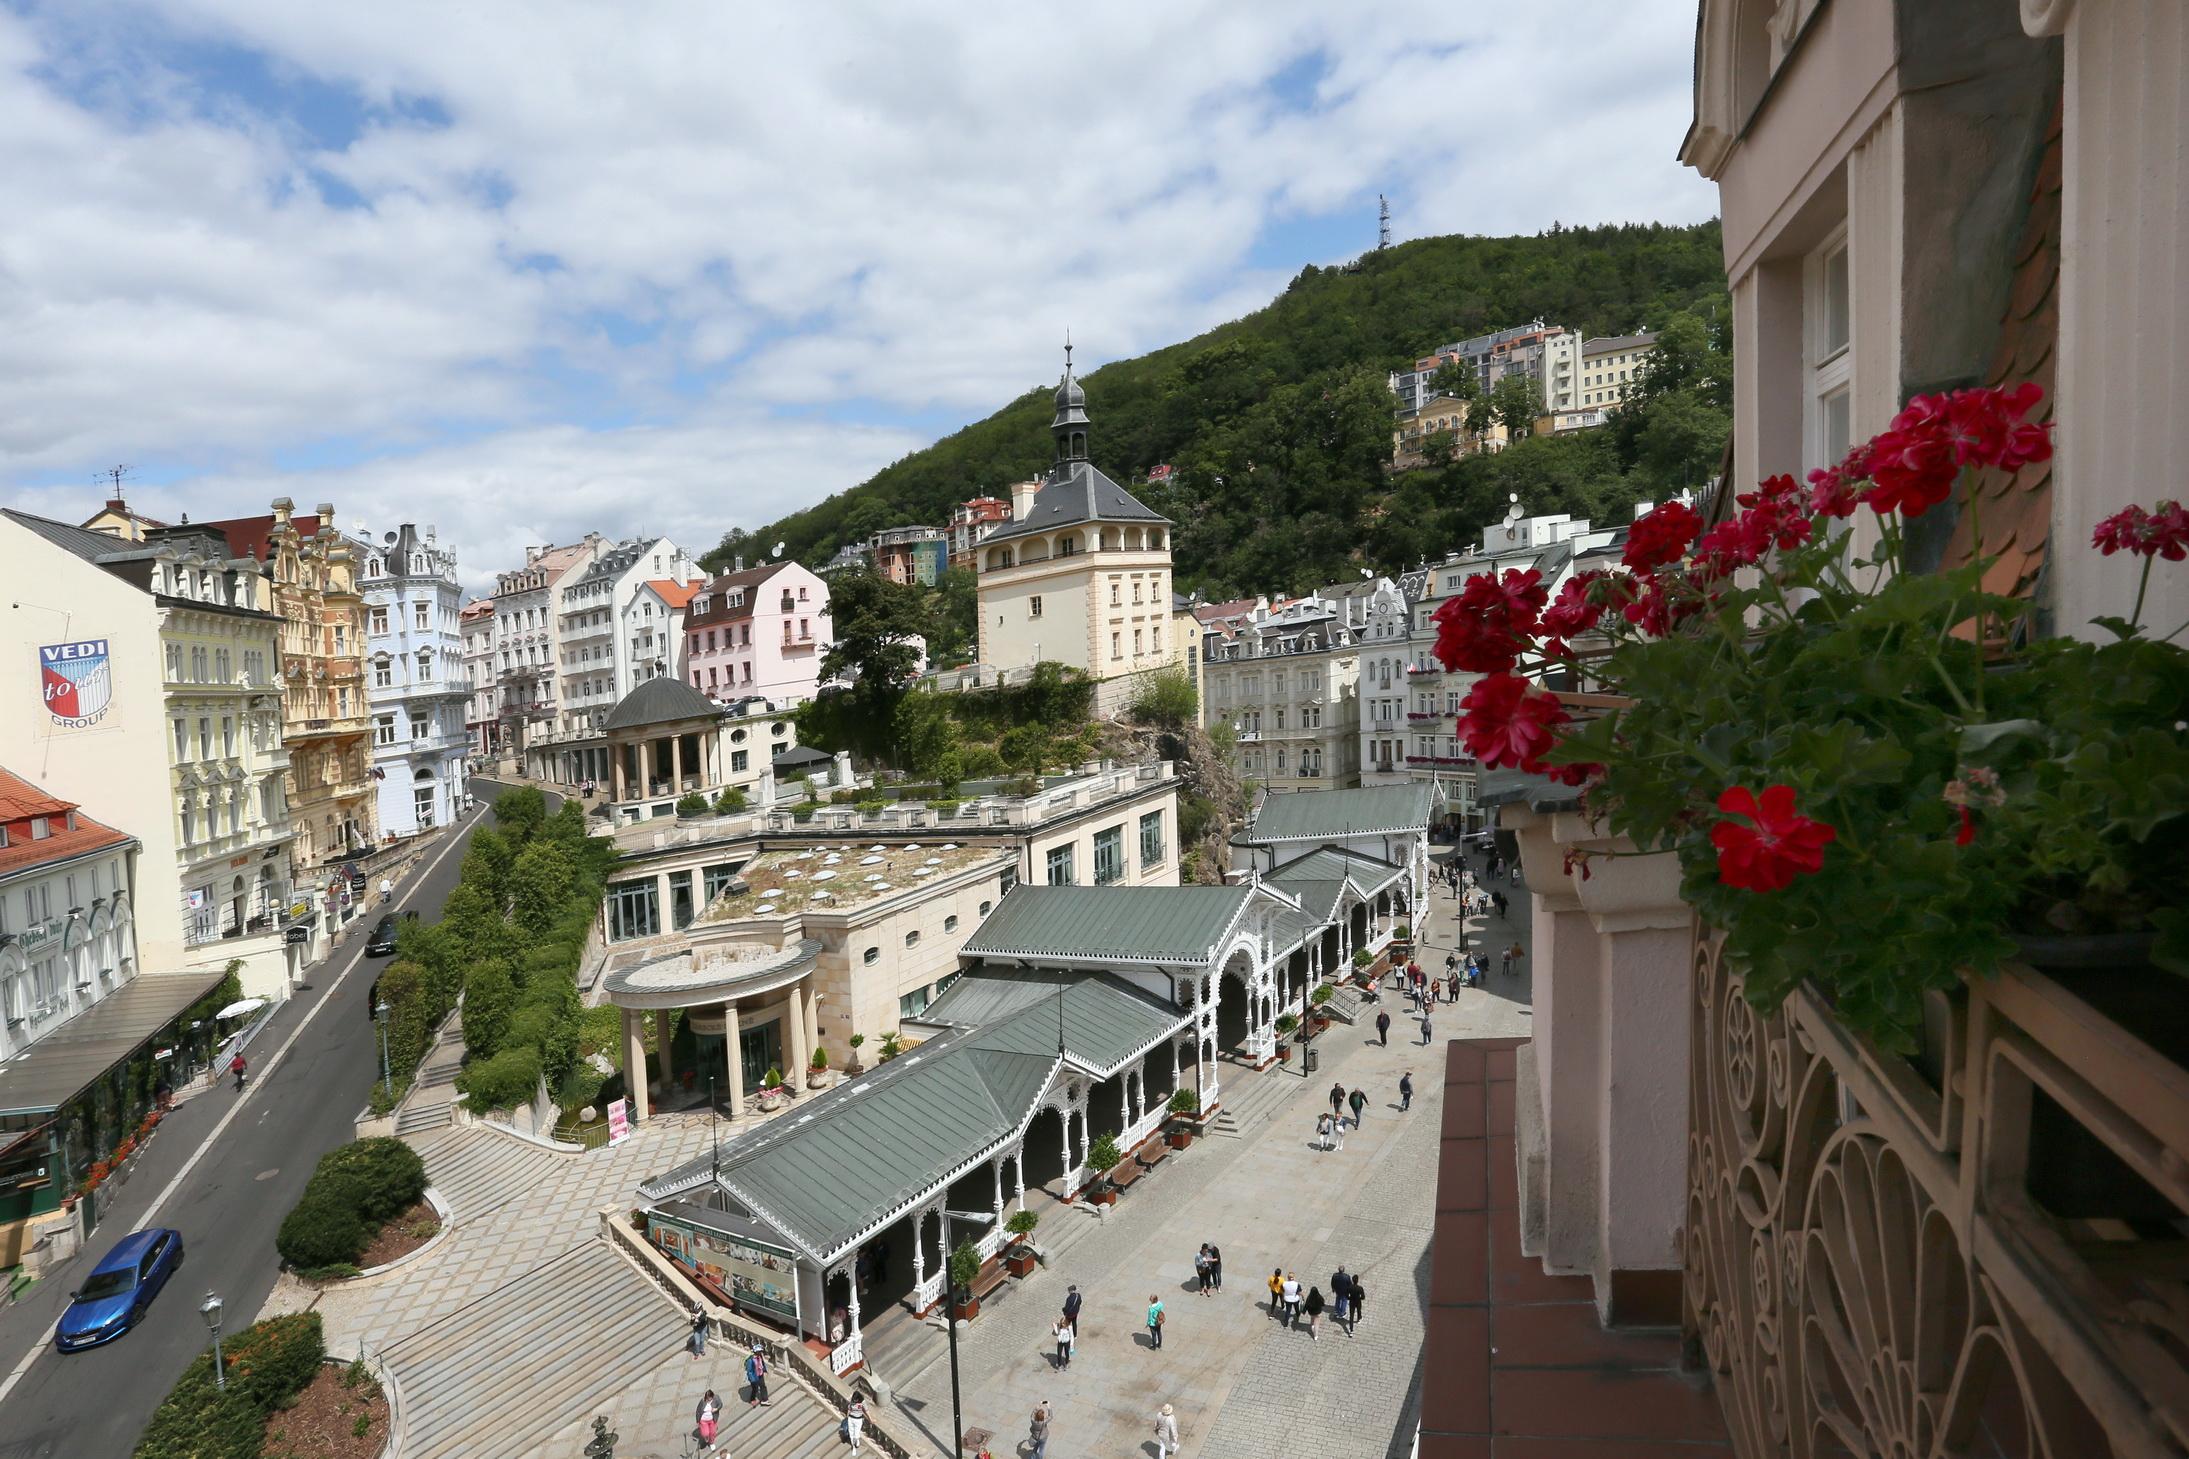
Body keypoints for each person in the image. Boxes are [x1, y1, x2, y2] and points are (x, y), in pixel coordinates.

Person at [743, 1343, 770, 1407]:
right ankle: (752, 1399)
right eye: (760, 1351)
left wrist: (764, 1370)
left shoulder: (760, 1356)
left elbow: (762, 1363)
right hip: (754, 1377)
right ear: (756, 1352)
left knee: (763, 1386)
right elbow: (749, 1371)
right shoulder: (750, 1360)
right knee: (755, 1389)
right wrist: (753, 1380)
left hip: (760, 1374)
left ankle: (765, 1400)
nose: (761, 1352)